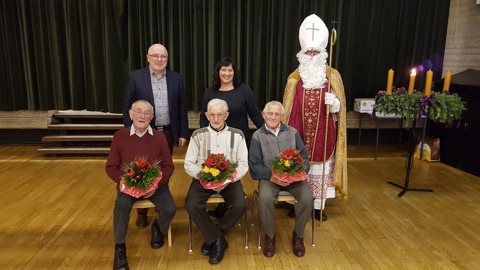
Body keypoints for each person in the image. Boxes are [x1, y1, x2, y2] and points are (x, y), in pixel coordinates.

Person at [282, 14, 348, 221]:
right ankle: (296, 204)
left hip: (323, 133)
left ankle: (318, 207)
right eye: (308, 51)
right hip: (298, 132)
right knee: (297, 167)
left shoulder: (333, 76)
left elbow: (341, 109)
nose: (311, 53)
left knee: (320, 169)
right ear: (302, 53)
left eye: (315, 51)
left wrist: (334, 103)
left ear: (322, 53)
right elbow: (287, 106)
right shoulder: (294, 78)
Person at [123, 43, 189, 229]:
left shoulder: (176, 79)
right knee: (142, 168)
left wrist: (183, 132)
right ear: (148, 57)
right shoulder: (136, 77)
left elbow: (181, 108)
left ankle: (161, 204)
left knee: (162, 169)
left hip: (167, 132)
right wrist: (130, 133)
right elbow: (128, 107)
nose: (160, 59)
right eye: (156, 56)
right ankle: (142, 212)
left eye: (163, 57)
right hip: (144, 132)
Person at [106, 100, 176, 270]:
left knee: (169, 209)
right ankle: (120, 249)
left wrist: (155, 183)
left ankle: (158, 227)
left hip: (155, 184)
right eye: (138, 112)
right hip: (128, 184)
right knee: (121, 205)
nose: (142, 116)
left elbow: (168, 166)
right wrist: (125, 182)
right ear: (131, 114)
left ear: (152, 117)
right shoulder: (119, 136)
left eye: (146, 113)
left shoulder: (160, 137)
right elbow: (110, 167)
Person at [184, 98, 248, 264]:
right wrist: (206, 179)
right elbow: (188, 163)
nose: (216, 118)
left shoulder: (237, 135)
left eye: (220, 114)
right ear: (207, 115)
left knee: (240, 204)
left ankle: (214, 235)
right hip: (202, 180)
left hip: (229, 180)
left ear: (226, 115)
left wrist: (227, 180)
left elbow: (243, 164)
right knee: (191, 204)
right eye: (212, 115)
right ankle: (218, 240)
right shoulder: (198, 135)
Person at [199, 57, 264, 219]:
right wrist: (201, 138)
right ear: (218, 72)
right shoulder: (210, 92)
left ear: (234, 72)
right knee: (218, 171)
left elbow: (254, 113)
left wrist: (267, 130)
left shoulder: (244, 90)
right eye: (223, 70)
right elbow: (203, 117)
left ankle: (232, 203)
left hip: (238, 142)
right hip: (215, 142)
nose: (226, 73)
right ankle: (225, 206)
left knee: (232, 172)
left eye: (230, 70)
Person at [249, 101, 313, 258]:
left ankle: (298, 236)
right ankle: (270, 236)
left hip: (294, 178)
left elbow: (304, 159)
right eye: (269, 113)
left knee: (307, 198)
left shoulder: (292, 132)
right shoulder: (257, 136)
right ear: (264, 115)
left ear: (282, 116)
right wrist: (273, 177)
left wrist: (296, 174)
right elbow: (255, 166)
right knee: (264, 198)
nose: (273, 116)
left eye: (277, 114)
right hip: (270, 178)